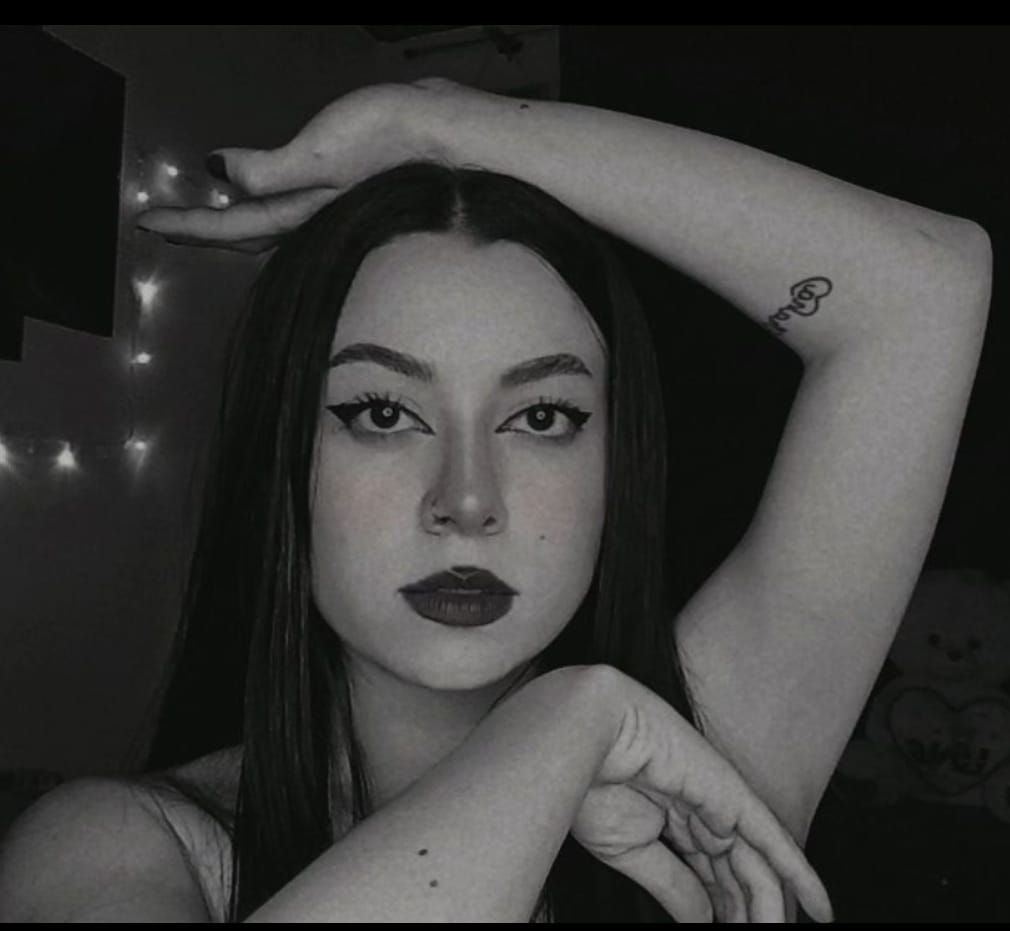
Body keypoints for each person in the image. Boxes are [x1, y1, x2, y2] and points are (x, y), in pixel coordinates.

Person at [0, 77, 990, 923]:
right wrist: (563, 728)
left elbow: (922, 288)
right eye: (382, 412)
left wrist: (444, 124)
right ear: (284, 458)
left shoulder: (700, 776)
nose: (467, 499)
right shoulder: (114, 848)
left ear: (617, 462)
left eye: (542, 417)